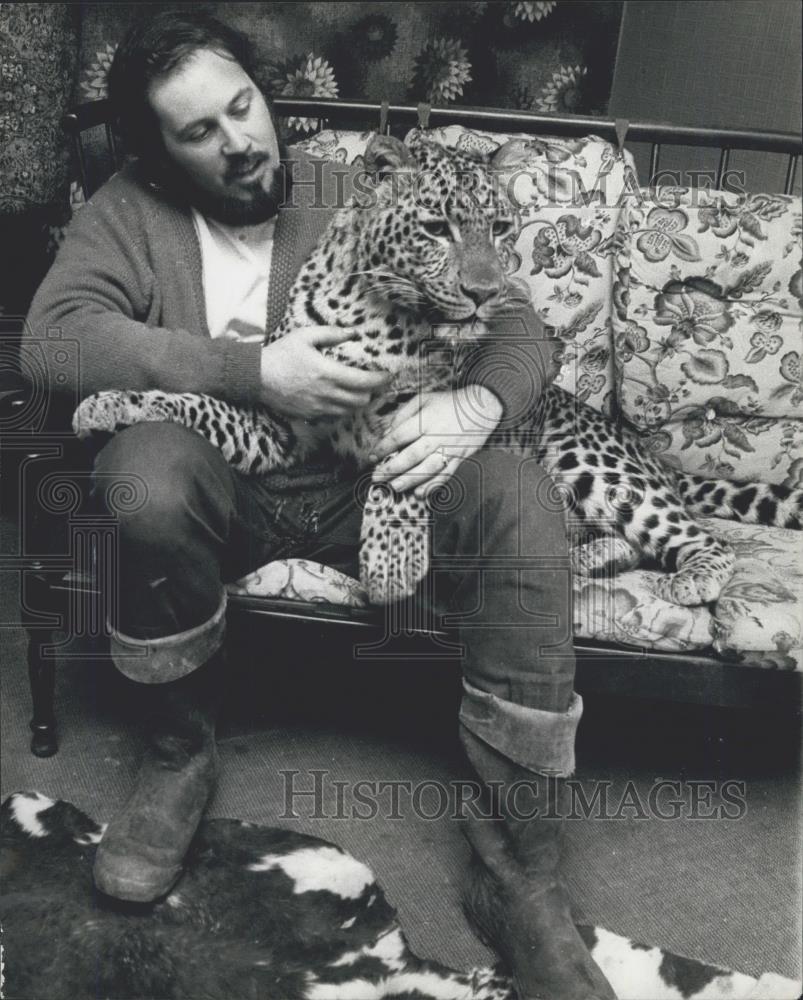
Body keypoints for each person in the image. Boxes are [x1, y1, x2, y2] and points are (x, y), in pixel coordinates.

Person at [25, 11, 615, 999]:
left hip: (373, 483)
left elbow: (520, 327)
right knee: (141, 472)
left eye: (243, 106)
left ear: (266, 93)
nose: (240, 140)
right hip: (229, 485)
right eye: (199, 131)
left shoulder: (360, 190)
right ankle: (177, 755)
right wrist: (252, 370)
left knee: (517, 490)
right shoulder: (127, 213)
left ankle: (520, 866)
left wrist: (474, 403)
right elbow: (52, 344)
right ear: (158, 152)